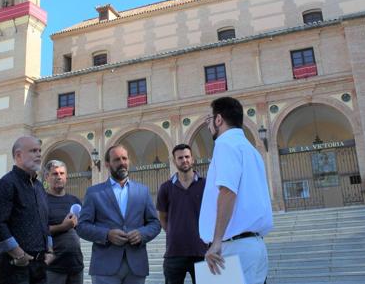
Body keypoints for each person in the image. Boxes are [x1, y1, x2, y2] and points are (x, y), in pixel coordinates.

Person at [199, 96, 273, 284]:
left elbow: (227, 191)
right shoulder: (250, 149)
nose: (208, 126)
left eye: (209, 119)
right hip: (254, 246)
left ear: (218, 119)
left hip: (233, 247)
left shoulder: (225, 144)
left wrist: (216, 242)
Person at [77, 144, 161, 284]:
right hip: (105, 267)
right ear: (107, 164)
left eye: (124, 158)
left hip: (136, 266)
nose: (122, 163)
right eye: (116, 159)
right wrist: (107, 235)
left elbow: (155, 223)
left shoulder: (142, 191)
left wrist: (142, 234)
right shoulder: (94, 193)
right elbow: (82, 226)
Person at [0, 136, 54, 284]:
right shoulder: (6, 184)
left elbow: (45, 222)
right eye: (33, 151)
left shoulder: (39, 187)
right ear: (18, 155)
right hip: (14, 268)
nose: (38, 154)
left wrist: (50, 250)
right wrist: (19, 255)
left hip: (39, 267)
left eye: (39, 150)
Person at [156, 144, 207, 284]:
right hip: (174, 253)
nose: (184, 160)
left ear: (192, 159)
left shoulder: (206, 185)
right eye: (180, 158)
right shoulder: (165, 188)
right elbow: (162, 217)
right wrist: (175, 232)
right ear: (174, 161)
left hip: (202, 251)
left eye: (187, 157)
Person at [44, 160, 84, 284]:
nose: (59, 177)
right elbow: (38, 231)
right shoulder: (41, 200)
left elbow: (82, 228)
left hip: (76, 265)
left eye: (62, 173)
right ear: (47, 177)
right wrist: (63, 226)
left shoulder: (75, 200)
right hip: (54, 267)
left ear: (66, 176)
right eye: (55, 174)